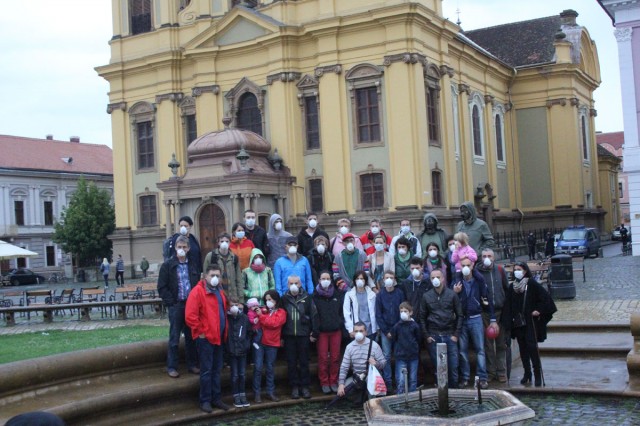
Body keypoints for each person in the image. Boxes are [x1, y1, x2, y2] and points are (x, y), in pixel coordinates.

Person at [502, 262, 557, 387]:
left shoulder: (531, 284)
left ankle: (537, 373)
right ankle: (527, 373)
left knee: (532, 348)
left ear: (525, 271)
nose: (516, 271)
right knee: (523, 350)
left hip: (530, 322)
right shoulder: (512, 287)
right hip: (518, 323)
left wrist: (539, 310)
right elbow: (508, 305)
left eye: (519, 269)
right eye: (515, 269)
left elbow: (546, 299)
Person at [185, 265, 230, 413]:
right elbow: (190, 316)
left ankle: (216, 399)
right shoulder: (197, 292)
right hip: (206, 338)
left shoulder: (219, 291)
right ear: (205, 276)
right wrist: (201, 332)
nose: (215, 278)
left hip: (219, 337)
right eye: (212, 275)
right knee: (206, 371)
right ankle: (205, 400)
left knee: (217, 370)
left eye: (218, 275)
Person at [451, 257, 499, 389]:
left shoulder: (479, 281)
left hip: (476, 318)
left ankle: (482, 378)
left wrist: (493, 318)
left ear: (472, 266)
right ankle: (465, 378)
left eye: (468, 265)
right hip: (462, 320)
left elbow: (487, 298)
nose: (466, 267)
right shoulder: (456, 281)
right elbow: (450, 299)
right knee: (462, 351)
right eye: (463, 265)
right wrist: (455, 292)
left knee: (480, 350)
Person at [157, 235, 200, 379]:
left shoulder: (192, 264)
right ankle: (172, 366)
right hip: (176, 305)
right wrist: (171, 302)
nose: (181, 249)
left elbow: (197, 285)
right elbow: (162, 287)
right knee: (174, 337)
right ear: (175, 248)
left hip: (190, 306)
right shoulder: (168, 265)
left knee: (191, 337)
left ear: (188, 248)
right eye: (179, 247)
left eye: (184, 247)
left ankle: (192, 364)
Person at [420, 268, 463, 388]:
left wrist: (456, 334)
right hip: (434, 335)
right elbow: (422, 317)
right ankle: (441, 392)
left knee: (453, 365)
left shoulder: (452, 294)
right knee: (438, 366)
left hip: (450, 334)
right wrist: (427, 336)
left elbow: (460, 315)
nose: (435, 280)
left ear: (443, 278)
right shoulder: (426, 296)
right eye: (433, 277)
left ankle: (454, 390)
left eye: (438, 277)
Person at [282, 275, 318, 399]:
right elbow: (282, 318)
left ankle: (305, 386)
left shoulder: (307, 297)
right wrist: (281, 336)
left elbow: (313, 315)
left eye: (296, 283)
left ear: (300, 283)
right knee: (291, 362)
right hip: (289, 335)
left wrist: (314, 332)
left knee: (304, 361)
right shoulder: (284, 299)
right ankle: (294, 387)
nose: (294, 285)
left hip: (303, 334)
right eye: (291, 283)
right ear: (287, 285)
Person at [477, 249, 509, 383]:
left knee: (501, 344)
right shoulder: (478, 273)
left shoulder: (500, 270)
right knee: (488, 345)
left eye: (489, 256)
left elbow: (506, 288)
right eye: (484, 256)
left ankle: (501, 371)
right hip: (485, 313)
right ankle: (491, 371)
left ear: (494, 257)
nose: (486, 258)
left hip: (500, 311)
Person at [312, 271, 345, 394]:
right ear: (319, 280)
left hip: (336, 330)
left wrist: (339, 323)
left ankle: (334, 380)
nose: (325, 280)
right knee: (323, 358)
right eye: (323, 278)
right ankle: (324, 382)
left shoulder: (337, 294)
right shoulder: (315, 296)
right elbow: (314, 315)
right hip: (322, 332)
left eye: (327, 278)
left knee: (335, 357)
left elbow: (341, 312)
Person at [251, 289, 286, 403]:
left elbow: (273, 323)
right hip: (260, 342)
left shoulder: (281, 312)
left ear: (276, 300)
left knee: (270, 368)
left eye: (270, 299)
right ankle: (257, 393)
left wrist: (261, 316)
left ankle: (270, 391)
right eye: (266, 300)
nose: (268, 302)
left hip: (272, 343)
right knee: (258, 367)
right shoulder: (264, 311)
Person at [337, 321, 386, 398]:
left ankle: (372, 405)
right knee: (345, 388)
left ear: (366, 332)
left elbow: (383, 363)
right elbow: (344, 367)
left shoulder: (374, 345)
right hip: (356, 376)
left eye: (361, 331)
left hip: (370, 376)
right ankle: (358, 400)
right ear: (353, 333)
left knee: (373, 387)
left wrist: (376, 363)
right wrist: (341, 384)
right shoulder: (349, 347)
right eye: (356, 331)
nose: (358, 333)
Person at [375, 270, 405, 391]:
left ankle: (400, 382)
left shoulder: (400, 293)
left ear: (394, 279)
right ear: (383, 279)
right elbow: (378, 315)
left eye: (391, 277)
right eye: (386, 277)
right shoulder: (380, 295)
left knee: (399, 355)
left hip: (399, 330)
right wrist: (386, 331)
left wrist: (397, 329)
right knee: (386, 356)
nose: (389, 279)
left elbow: (403, 310)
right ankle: (388, 382)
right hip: (385, 331)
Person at [225, 297, 252, 408]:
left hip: (242, 351)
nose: (234, 307)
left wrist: (246, 344)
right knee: (235, 375)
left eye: (236, 304)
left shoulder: (244, 318)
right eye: (231, 305)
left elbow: (249, 332)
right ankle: (236, 395)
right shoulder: (227, 319)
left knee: (242, 374)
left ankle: (242, 394)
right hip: (232, 351)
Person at [391, 302, 422, 394]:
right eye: (401, 311)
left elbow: (418, 339)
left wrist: (415, 349)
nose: (403, 313)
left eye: (406, 311)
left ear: (411, 312)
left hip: (413, 356)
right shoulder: (397, 326)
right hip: (401, 356)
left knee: (413, 379)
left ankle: (413, 398)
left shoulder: (415, 326)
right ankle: (400, 398)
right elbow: (394, 339)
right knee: (401, 380)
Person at [204, 233, 243, 303]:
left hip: (232, 297)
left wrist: (241, 300)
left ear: (230, 243)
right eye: (222, 241)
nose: (224, 243)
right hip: (216, 296)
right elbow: (205, 277)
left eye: (227, 241)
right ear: (218, 242)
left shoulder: (234, 258)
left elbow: (239, 279)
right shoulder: (211, 256)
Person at [344, 271, 378, 339]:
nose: (360, 280)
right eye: (357, 278)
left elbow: (375, 312)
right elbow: (346, 313)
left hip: (370, 330)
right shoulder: (349, 295)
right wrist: (350, 330)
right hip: (356, 330)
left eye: (362, 278)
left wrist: (377, 328)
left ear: (365, 280)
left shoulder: (372, 294)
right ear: (354, 280)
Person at [398, 257, 432, 323]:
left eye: (417, 268)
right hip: (412, 318)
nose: (415, 270)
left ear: (422, 267)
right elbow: (404, 301)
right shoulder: (405, 283)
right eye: (412, 268)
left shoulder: (429, 281)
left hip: (427, 318)